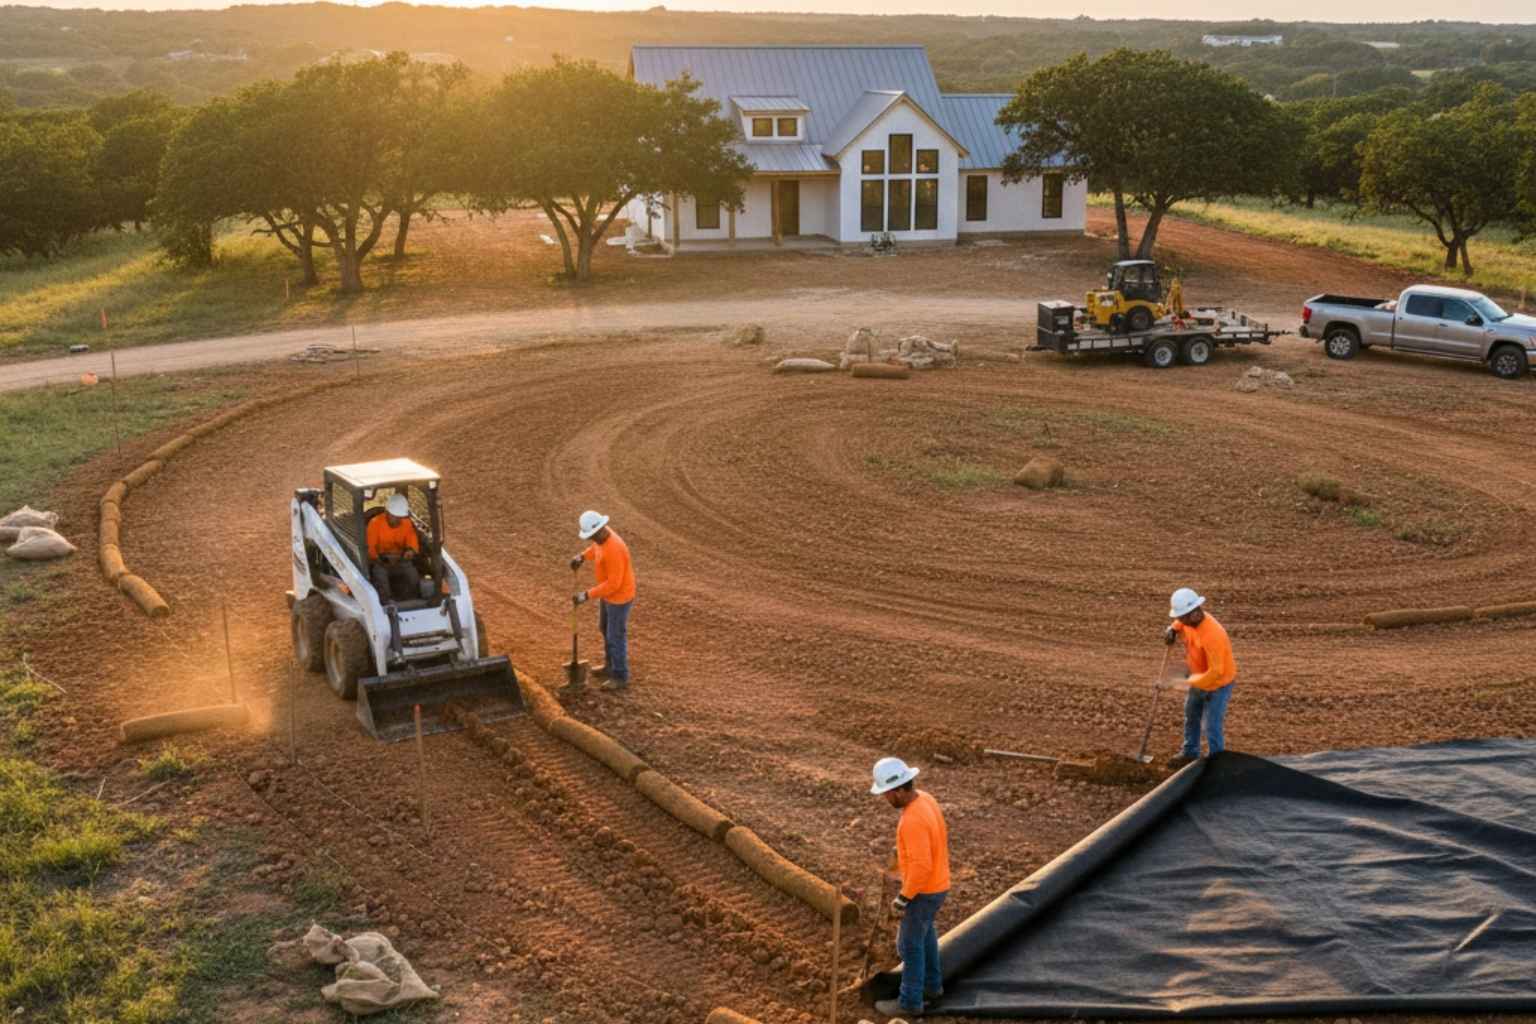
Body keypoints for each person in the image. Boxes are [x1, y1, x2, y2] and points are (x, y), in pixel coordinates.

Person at [870, 756, 950, 1019]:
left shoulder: (911, 820)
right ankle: (932, 986)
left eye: (886, 794)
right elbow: (929, 841)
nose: (885, 799)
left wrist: (903, 898)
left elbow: (921, 867)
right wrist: (901, 850)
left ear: (897, 790)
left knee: (909, 946)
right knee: (926, 937)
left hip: (923, 890)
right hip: (938, 884)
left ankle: (910, 1003)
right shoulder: (925, 799)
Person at [1163, 587, 1238, 769]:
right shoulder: (1187, 621)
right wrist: (1172, 629)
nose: (1180, 620)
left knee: (1211, 725)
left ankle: (1217, 763)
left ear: (1196, 612)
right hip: (1198, 677)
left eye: (1182, 617)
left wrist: (1188, 682)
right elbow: (1179, 623)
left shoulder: (1214, 635)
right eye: (1179, 617)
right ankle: (1190, 752)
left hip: (1218, 684)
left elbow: (1216, 673)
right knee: (1191, 715)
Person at [569, 510, 635, 691]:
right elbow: (595, 550)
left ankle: (620, 676)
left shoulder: (614, 548)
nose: (592, 539)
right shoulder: (602, 537)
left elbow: (614, 584)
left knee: (615, 635)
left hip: (619, 598)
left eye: (592, 535)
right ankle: (610, 666)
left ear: (599, 530)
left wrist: (586, 595)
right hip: (608, 595)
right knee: (604, 628)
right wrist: (582, 556)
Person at [367, 493, 421, 603]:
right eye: (394, 516)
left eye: (399, 517)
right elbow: (370, 549)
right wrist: (383, 560)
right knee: (380, 576)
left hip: (400, 560)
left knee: (413, 575)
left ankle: (409, 600)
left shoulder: (406, 523)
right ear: (387, 512)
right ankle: (387, 602)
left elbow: (413, 542)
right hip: (380, 562)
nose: (397, 520)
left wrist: (410, 551)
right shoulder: (375, 523)